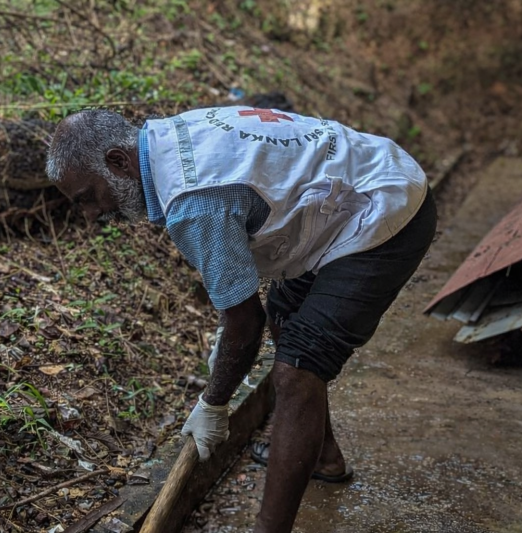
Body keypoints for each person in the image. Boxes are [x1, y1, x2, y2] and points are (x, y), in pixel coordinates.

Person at [45, 105, 437, 533]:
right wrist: (232, 323)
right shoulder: (166, 136)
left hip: (385, 207)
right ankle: (324, 456)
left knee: (297, 371)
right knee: (285, 318)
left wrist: (213, 404)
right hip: (357, 183)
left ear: (118, 162)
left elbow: (245, 325)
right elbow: (246, 309)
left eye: (87, 196)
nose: (91, 214)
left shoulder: (192, 201)